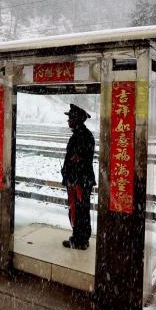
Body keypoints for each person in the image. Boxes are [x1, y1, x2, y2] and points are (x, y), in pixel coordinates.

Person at [61, 103, 96, 250]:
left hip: (79, 181)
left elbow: (80, 160)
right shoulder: (80, 135)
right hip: (77, 180)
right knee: (78, 209)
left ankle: (80, 240)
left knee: (80, 210)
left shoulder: (83, 136)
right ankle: (79, 237)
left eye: (70, 118)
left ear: (77, 120)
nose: (68, 121)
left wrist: (72, 175)